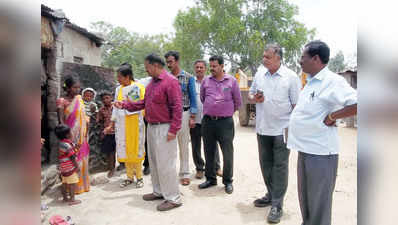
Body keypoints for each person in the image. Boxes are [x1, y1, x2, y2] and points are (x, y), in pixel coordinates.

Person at [287, 40, 357, 225]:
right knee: (307, 203)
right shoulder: (311, 82)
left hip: (321, 154)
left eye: (303, 57)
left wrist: (334, 115)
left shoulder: (332, 81)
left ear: (316, 58)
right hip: (306, 150)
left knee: (319, 205)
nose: (300, 61)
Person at [114, 53, 183, 211]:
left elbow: (177, 107)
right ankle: (159, 192)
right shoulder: (151, 84)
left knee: (166, 164)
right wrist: (124, 105)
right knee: (154, 162)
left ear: (156, 66)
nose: (145, 70)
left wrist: (174, 129)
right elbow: (143, 103)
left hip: (165, 128)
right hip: (152, 127)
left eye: (147, 67)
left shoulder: (170, 82)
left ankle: (173, 198)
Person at [248, 44, 301, 223]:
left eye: (267, 57)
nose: (264, 59)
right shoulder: (259, 74)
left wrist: (295, 129)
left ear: (278, 58)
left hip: (282, 130)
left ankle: (277, 205)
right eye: (263, 56)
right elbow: (251, 95)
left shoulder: (291, 77)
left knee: (280, 167)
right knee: (266, 165)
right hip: (262, 128)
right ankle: (271, 194)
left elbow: (296, 106)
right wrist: (255, 98)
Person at [198, 55, 242, 194]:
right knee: (209, 151)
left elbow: (238, 102)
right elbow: (203, 98)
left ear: (222, 66)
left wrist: (225, 111)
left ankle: (228, 181)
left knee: (227, 153)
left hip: (225, 123)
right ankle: (210, 179)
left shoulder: (232, 81)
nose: (212, 69)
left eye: (215, 66)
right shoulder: (206, 81)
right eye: (210, 66)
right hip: (208, 121)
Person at [108, 63, 146, 188]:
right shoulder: (118, 89)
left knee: (136, 149)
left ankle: (139, 177)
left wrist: (123, 104)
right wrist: (112, 123)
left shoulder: (137, 87)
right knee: (125, 149)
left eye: (119, 77)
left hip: (135, 123)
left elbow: (137, 106)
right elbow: (114, 108)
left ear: (127, 76)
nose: (118, 79)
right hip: (122, 124)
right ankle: (129, 177)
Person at [164, 51, 197, 186]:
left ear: (177, 61)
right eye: (167, 62)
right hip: (169, 116)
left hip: (184, 114)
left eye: (171, 61)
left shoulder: (188, 77)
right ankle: (170, 173)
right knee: (169, 146)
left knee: (183, 145)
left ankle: (184, 174)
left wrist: (192, 116)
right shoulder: (165, 77)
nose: (168, 64)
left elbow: (193, 97)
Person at [56, 76, 90, 194]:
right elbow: (60, 121)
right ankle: (71, 189)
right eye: (75, 87)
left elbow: (84, 118)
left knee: (82, 159)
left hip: (81, 135)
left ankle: (82, 186)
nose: (78, 90)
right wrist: (65, 138)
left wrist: (85, 132)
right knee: (71, 162)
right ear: (68, 88)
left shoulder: (79, 99)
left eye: (79, 87)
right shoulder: (62, 101)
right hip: (69, 136)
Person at [190, 59, 222, 179]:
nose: (199, 69)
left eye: (201, 67)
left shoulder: (211, 81)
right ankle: (199, 168)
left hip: (209, 119)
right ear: (195, 69)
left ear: (205, 69)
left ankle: (217, 167)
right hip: (195, 119)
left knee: (213, 145)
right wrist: (190, 117)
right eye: (197, 67)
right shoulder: (191, 82)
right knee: (195, 145)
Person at [54, 124, 81, 206]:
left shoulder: (61, 144)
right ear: (67, 134)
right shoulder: (67, 145)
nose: (72, 133)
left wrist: (76, 147)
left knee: (64, 183)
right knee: (72, 183)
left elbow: (67, 153)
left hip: (63, 168)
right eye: (71, 131)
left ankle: (65, 198)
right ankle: (72, 199)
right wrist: (77, 167)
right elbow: (72, 157)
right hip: (70, 167)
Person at [97, 90, 116, 178]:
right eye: (103, 99)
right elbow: (100, 122)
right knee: (110, 152)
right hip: (108, 133)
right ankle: (111, 168)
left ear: (111, 98)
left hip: (118, 132)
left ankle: (123, 165)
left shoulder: (116, 107)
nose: (105, 100)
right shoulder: (101, 110)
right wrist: (102, 133)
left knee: (120, 150)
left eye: (107, 98)